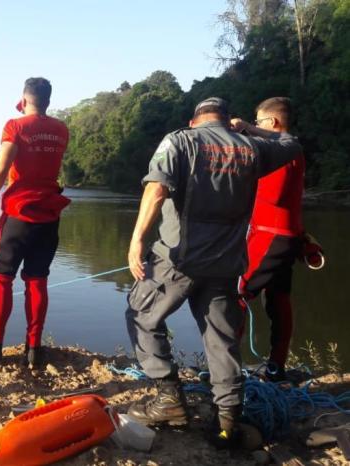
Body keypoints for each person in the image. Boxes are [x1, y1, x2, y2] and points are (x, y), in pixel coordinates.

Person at [124, 97, 302, 448]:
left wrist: (136, 242)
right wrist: (249, 128)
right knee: (220, 339)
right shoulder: (253, 147)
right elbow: (291, 144)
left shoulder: (180, 141)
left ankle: (169, 400)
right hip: (226, 264)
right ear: (225, 119)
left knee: (141, 315)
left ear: (194, 120)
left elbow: (156, 188)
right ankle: (228, 421)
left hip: (179, 261)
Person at [0, 77, 70, 368]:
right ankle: (34, 349)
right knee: (37, 279)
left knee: (1, 277)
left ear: (23, 98)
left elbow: (1, 168)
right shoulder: (61, 130)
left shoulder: (15, 126)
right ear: (48, 99)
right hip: (49, 216)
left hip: (20, 214)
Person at [235, 97, 306, 381]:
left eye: (259, 122)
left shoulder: (279, 154)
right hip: (287, 235)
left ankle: (226, 368)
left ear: (273, 122)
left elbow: (273, 196)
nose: (255, 127)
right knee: (278, 299)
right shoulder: (291, 150)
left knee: (236, 293)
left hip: (270, 235)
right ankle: (277, 365)